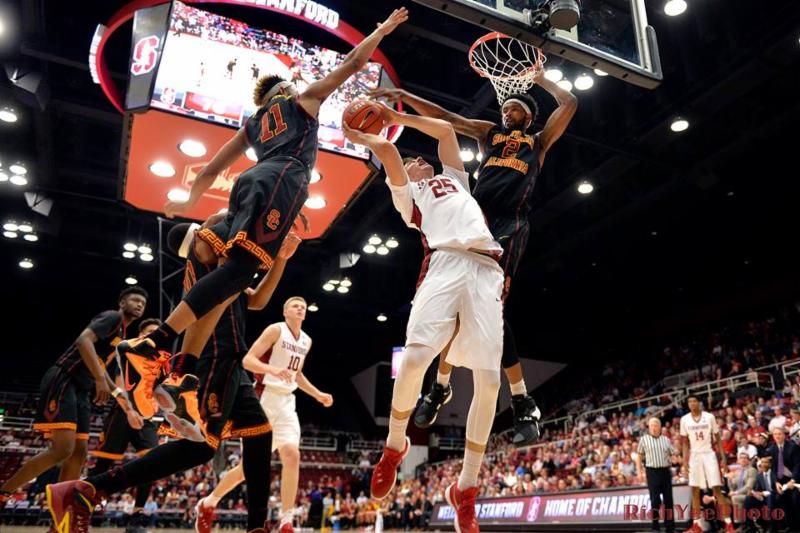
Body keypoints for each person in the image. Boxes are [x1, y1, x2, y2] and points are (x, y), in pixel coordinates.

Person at [112, 8, 408, 439]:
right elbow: (352, 65)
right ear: (285, 89)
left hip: (251, 185)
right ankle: (153, 345)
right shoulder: (300, 101)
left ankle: (184, 369)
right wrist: (381, 28)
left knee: (229, 278)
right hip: (281, 179)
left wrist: (189, 202)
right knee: (237, 273)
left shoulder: (253, 124)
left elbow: (211, 170)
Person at [369, 57, 577, 447]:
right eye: (504, 108)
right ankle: (444, 386)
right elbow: (447, 118)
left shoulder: (539, 142)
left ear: (528, 116)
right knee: (454, 312)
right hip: (473, 220)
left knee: (491, 313)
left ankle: (485, 394)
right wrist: (403, 97)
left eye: (514, 108)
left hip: (509, 228)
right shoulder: (490, 135)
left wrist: (543, 79)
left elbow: (569, 105)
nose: (507, 111)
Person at [45, 217, 300, 533]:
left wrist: (282, 260)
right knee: (200, 448)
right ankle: (88, 490)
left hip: (230, 358)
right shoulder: (208, 254)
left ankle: (256, 527)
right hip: (216, 355)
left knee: (260, 435)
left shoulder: (221, 274)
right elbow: (222, 228)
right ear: (198, 243)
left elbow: (258, 300)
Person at [344, 107, 505, 533]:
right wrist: (363, 135)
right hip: (445, 264)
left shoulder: (456, 179)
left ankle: (466, 488)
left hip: (486, 267)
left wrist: (396, 112)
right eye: (413, 162)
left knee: (489, 383)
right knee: (415, 359)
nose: (418, 161)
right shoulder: (408, 196)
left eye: (421, 159)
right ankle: (395, 448)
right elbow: (389, 154)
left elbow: (446, 131)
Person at [195, 296, 333, 533]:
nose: (300, 308)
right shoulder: (275, 330)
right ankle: (208, 503)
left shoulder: (306, 340)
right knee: (246, 469)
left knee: (292, 454)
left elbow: (296, 375)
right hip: (263, 398)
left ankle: (286, 521)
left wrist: (317, 394)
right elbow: (247, 361)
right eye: (295, 306)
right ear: (285, 311)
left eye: (303, 307)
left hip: (287, 402)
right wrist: (272, 370)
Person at [0, 287, 147, 499]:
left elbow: (101, 368)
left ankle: (60, 518)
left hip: (81, 389)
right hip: (65, 378)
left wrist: (123, 400)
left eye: (143, 302)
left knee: (79, 453)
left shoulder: (121, 335)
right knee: (63, 450)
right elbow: (83, 340)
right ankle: (4, 491)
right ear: (122, 303)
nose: (140, 304)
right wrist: (98, 379)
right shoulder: (113, 317)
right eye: (135, 300)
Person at [88, 317, 163, 533]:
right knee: (102, 467)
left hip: (147, 416)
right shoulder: (127, 351)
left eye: (156, 332)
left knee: (152, 464)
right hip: (121, 411)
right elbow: (119, 384)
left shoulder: (159, 360)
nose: (153, 335)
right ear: (140, 334)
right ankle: (83, 509)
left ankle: (136, 520)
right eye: (149, 331)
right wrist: (130, 410)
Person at [680, 396, 734, 533]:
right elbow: (685, 443)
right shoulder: (684, 420)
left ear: (699, 403)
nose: (692, 404)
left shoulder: (709, 417)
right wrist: (685, 461)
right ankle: (696, 524)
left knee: (716, 490)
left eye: (694, 401)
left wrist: (723, 458)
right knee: (695, 491)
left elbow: (718, 440)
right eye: (689, 402)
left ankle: (729, 524)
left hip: (709, 454)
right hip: (694, 456)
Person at [636, 417, 676, 533]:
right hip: (652, 472)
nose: (654, 427)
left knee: (668, 499)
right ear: (649, 427)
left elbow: (672, 454)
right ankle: (655, 525)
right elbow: (638, 457)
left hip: (665, 471)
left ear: (660, 427)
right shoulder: (644, 439)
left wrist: (674, 458)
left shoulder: (666, 440)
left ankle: (670, 526)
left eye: (656, 425)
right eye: (652, 425)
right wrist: (639, 472)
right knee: (655, 500)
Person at [767, 427, 800, 530]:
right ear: (773, 436)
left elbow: (798, 465)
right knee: (777, 497)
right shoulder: (772, 448)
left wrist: (793, 481)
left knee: (795, 499)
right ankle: (789, 526)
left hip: (796, 480)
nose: (777, 436)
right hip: (782, 481)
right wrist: (776, 482)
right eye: (775, 434)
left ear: (784, 435)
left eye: (779, 434)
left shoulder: (793, 447)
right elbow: (773, 469)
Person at [743, 457, 776, 533]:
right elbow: (758, 489)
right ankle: (750, 525)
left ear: (770, 464)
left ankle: (771, 526)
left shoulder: (774, 473)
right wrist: (753, 493)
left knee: (770, 497)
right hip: (763, 497)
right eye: (762, 462)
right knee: (748, 499)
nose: (763, 464)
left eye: (765, 462)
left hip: (774, 495)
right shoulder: (759, 476)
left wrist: (764, 493)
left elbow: (776, 489)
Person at [727, 452, 756, 527]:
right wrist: (730, 480)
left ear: (748, 460)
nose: (743, 459)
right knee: (724, 501)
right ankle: (728, 526)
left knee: (735, 498)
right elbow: (733, 487)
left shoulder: (752, 470)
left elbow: (749, 486)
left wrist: (735, 493)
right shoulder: (737, 472)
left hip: (749, 495)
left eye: (745, 458)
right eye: (741, 458)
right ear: (738, 461)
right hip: (738, 494)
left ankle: (741, 524)